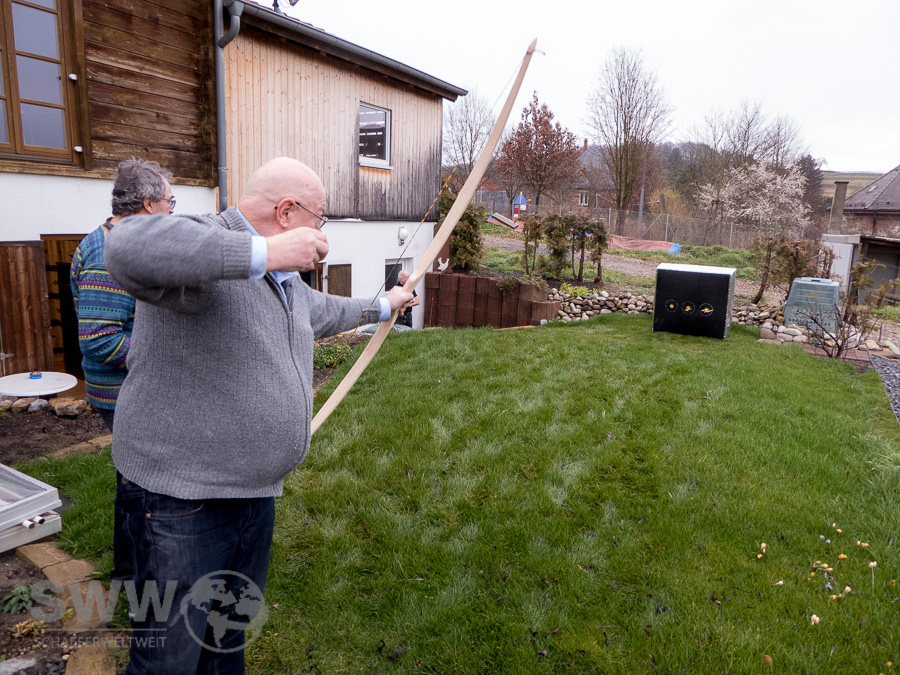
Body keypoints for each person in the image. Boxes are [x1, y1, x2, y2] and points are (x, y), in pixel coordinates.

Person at [104, 157, 414, 674]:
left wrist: (387, 305)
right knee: (169, 659)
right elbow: (126, 246)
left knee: (225, 642)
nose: (322, 235)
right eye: (319, 219)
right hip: (184, 503)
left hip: (252, 497)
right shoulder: (209, 243)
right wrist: (266, 252)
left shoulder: (284, 283)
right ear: (287, 212)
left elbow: (327, 312)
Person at [70, 158, 174, 431]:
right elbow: (99, 339)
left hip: (135, 388)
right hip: (124, 393)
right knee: (143, 459)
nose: (172, 210)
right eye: (170, 202)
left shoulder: (126, 244)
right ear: (149, 204)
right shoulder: (107, 253)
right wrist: (165, 358)